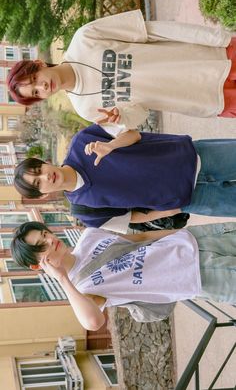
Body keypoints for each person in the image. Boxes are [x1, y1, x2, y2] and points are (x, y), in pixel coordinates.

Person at [7, 10, 236, 138]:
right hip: (208, 99)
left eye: (35, 80)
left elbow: (155, 30)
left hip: (215, 59)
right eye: (36, 92)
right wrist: (122, 118)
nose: (43, 87)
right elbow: (139, 115)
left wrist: (218, 39)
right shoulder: (86, 108)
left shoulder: (85, 38)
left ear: (38, 64)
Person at [10, 220, 236, 330]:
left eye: (45, 233)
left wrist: (186, 233)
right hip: (195, 274)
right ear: (38, 266)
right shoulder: (81, 288)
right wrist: (61, 279)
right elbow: (93, 322)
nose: (50, 240)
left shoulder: (88, 236)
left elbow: (140, 238)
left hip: (198, 240)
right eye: (41, 245)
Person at [13, 124, 236, 230]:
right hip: (193, 198)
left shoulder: (82, 142)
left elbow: (133, 133)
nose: (45, 176)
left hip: (193, 155)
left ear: (43, 162)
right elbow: (134, 217)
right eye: (38, 183)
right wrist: (177, 209)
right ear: (42, 195)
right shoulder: (85, 211)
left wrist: (111, 145)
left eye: (39, 170)